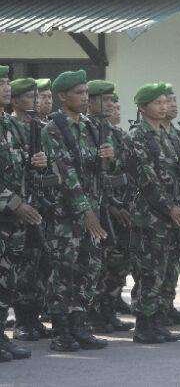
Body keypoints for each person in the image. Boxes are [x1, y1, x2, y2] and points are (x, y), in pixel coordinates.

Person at [42, 70, 110, 351]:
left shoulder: (91, 127)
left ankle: (79, 325)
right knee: (63, 272)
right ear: (62, 96)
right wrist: (86, 211)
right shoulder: (53, 129)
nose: (85, 98)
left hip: (92, 210)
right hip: (66, 215)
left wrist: (107, 159)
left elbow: (96, 171)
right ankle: (61, 332)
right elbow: (65, 172)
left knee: (89, 269)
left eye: (86, 93)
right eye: (79, 93)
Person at [128, 83, 180, 343]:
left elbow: (178, 173)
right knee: (150, 271)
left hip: (171, 215)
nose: (164, 107)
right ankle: (144, 325)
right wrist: (170, 207)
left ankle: (158, 321)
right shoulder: (137, 136)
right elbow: (147, 180)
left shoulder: (169, 134)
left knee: (168, 270)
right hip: (150, 216)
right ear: (143, 108)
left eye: (165, 102)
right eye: (157, 103)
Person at [85, 80, 135, 334]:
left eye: (113, 100)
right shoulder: (85, 129)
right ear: (91, 102)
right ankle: (93, 314)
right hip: (99, 208)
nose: (111, 104)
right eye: (105, 100)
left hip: (120, 206)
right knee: (97, 265)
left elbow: (127, 168)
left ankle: (108, 310)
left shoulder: (116, 133)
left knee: (118, 263)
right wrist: (111, 205)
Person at [0, 65, 34, 362]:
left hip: (13, 220)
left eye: (7, 82)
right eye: (1, 83)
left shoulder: (11, 125)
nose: (6, 87)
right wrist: (13, 202)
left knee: (7, 280)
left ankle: (1, 336)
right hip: (8, 210)